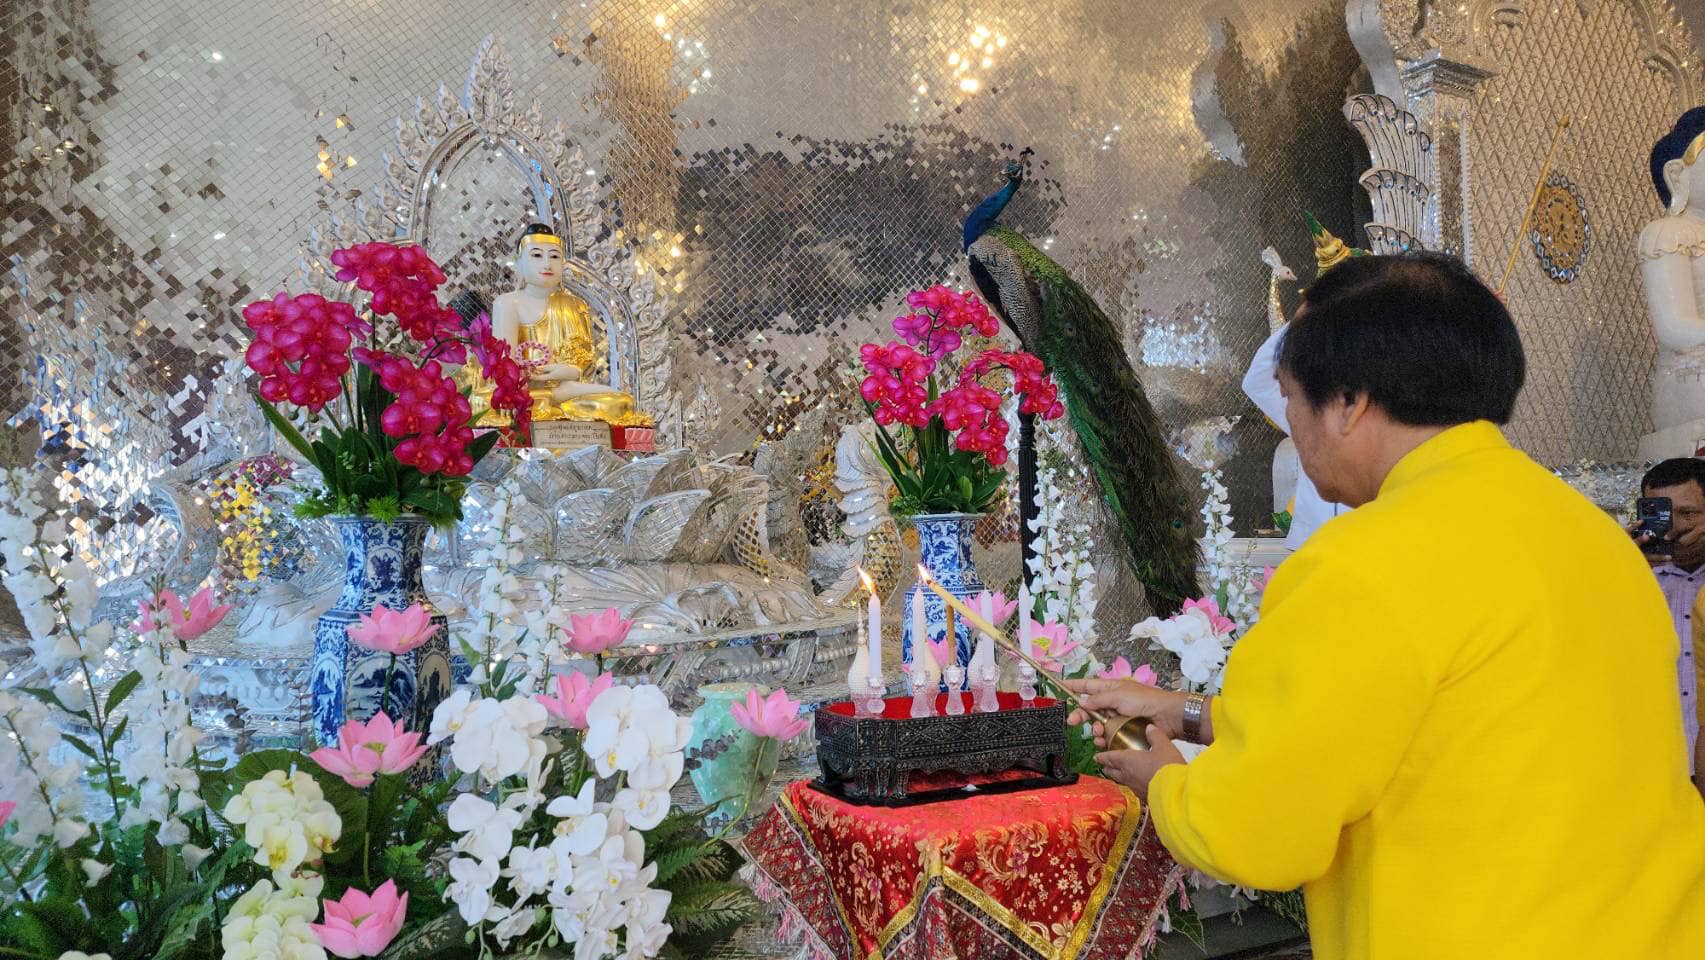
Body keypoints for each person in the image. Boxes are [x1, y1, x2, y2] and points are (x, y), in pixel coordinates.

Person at [1069, 252, 1705, 959]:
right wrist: (1183, 711)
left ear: (1348, 401)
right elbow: (1437, 722)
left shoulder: (1360, 563)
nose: (1290, 423)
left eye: (1289, 396)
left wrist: (1163, 777)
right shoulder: (1592, 535)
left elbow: (1254, 833)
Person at [1637, 456, 1705, 776]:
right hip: (1654, 770)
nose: (1674, 528)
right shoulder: (1629, 579)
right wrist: (1618, 564)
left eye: (1688, 513)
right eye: (1662, 514)